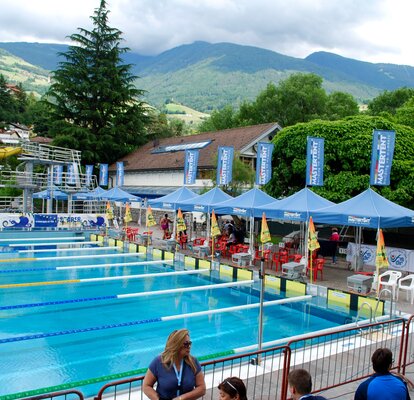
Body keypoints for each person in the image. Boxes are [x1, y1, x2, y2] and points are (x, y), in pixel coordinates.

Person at [143, 328, 206, 400]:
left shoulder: (193, 362)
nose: (189, 346)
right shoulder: (159, 362)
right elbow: (146, 386)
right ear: (176, 345)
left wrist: (181, 398)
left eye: (190, 343)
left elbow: (202, 388)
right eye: (186, 344)